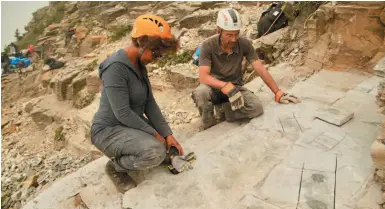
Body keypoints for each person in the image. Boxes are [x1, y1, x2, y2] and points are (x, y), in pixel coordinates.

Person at [91, 15, 183, 193]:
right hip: (108, 131)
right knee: (155, 152)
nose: (156, 59)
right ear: (141, 41)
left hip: (129, 125)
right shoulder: (115, 68)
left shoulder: (139, 65)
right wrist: (154, 133)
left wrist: (167, 134)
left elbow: (149, 102)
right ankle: (116, 167)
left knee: (167, 147)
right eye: (155, 54)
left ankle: (142, 147)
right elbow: (122, 113)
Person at [192, 8, 300, 130]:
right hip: (214, 88)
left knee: (256, 108)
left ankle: (223, 111)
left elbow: (260, 68)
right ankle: (208, 125)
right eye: (229, 35)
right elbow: (203, 77)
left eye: (236, 34)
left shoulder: (244, 44)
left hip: (235, 88)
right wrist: (224, 86)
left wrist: (277, 92)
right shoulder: (208, 45)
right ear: (219, 31)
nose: (233, 39)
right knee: (201, 92)